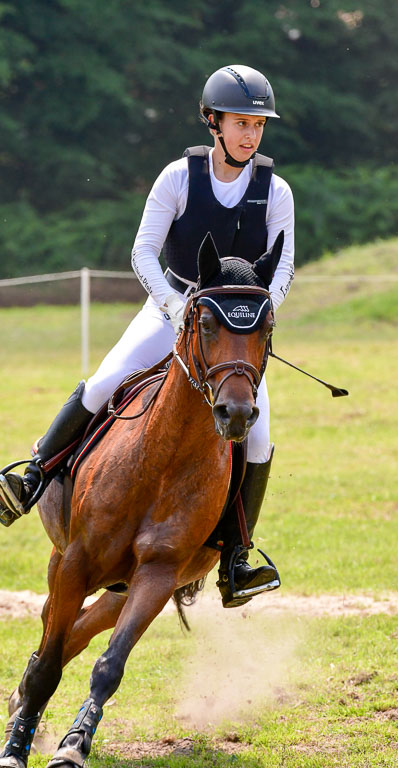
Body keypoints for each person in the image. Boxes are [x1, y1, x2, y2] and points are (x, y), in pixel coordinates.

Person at [0, 64, 295, 608]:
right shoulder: (178, 178)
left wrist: (255, 317)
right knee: (106, 381)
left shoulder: (275, 190)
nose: (251, 135)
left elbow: (284, 269)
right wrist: (174, 304)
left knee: (258, 433)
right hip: (173, 306)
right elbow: (142, 253)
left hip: (235, 331)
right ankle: (32, 478)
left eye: (258, 125)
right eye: (240, 123)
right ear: (213, 122)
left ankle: (236, 557)